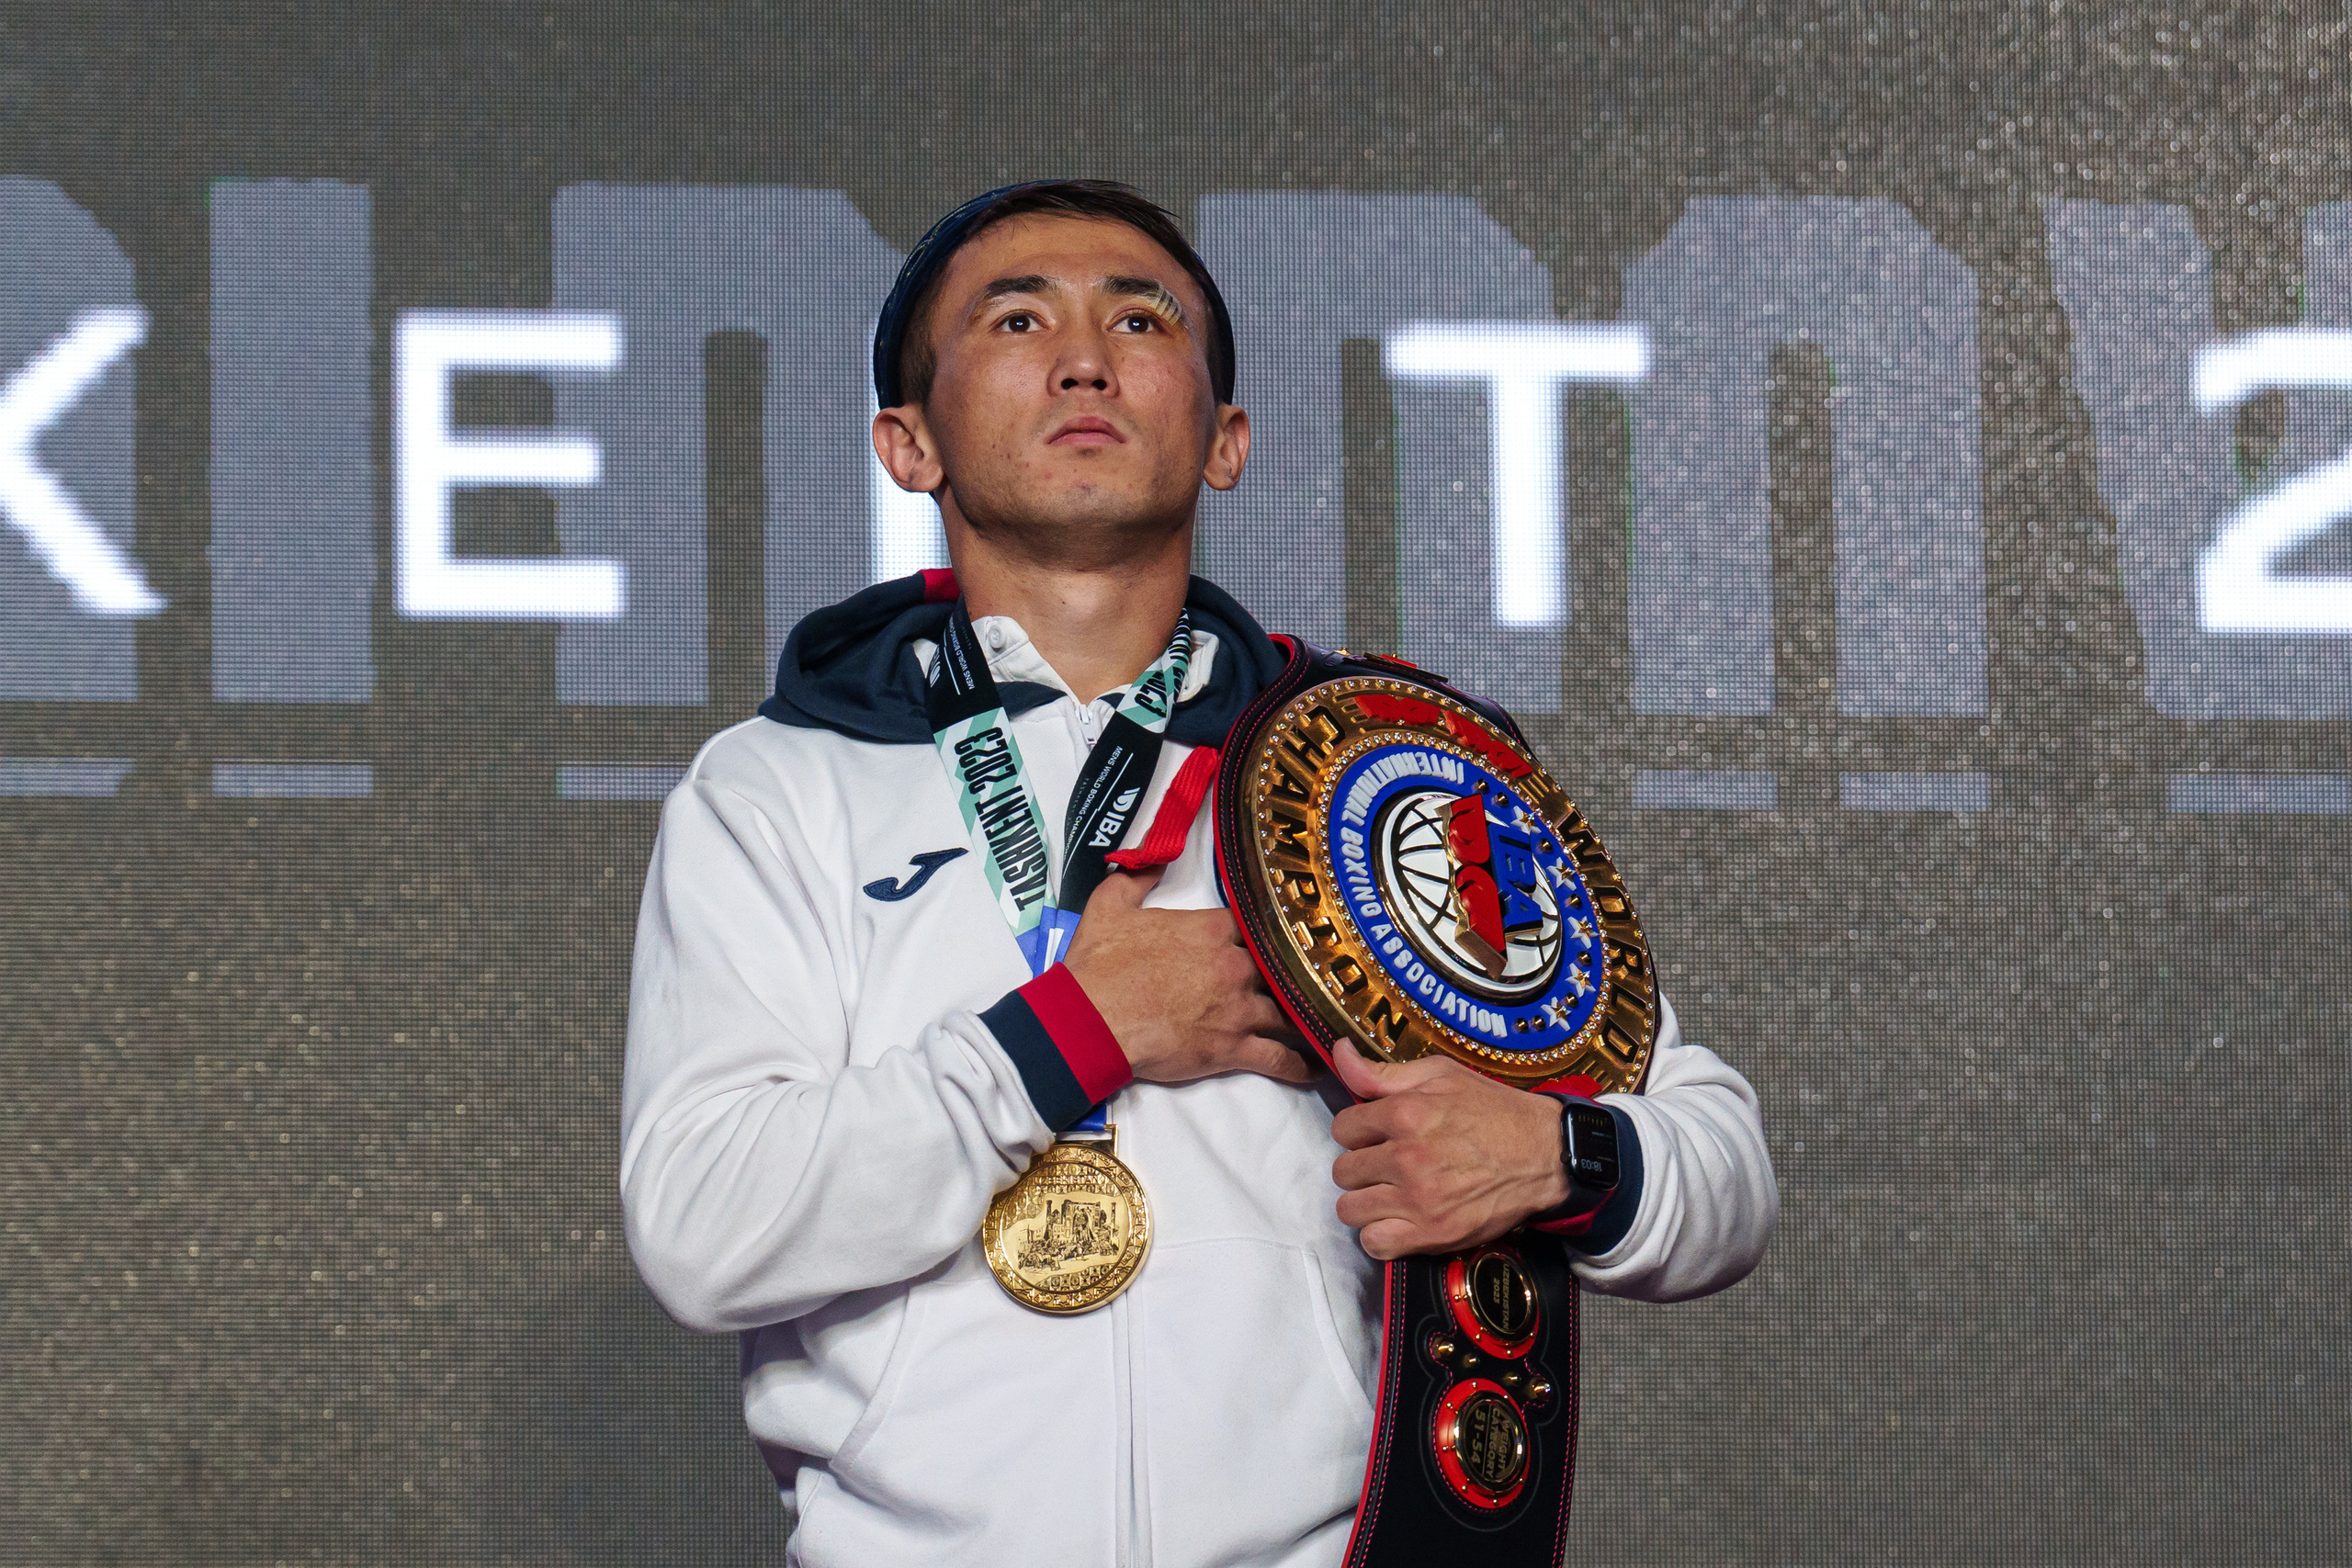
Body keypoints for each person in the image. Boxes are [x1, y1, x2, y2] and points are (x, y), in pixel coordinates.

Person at [620, 180, 1776, 1566]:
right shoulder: (779, 788)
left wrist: (1558, 1153)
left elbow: (1719, 1163)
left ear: (1225, 440)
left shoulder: (1382, 778)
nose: (1086, 355)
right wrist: (1075, 1033)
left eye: (1141, 317)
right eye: (1016, 316)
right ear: (907, 443)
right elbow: (705, 1222)